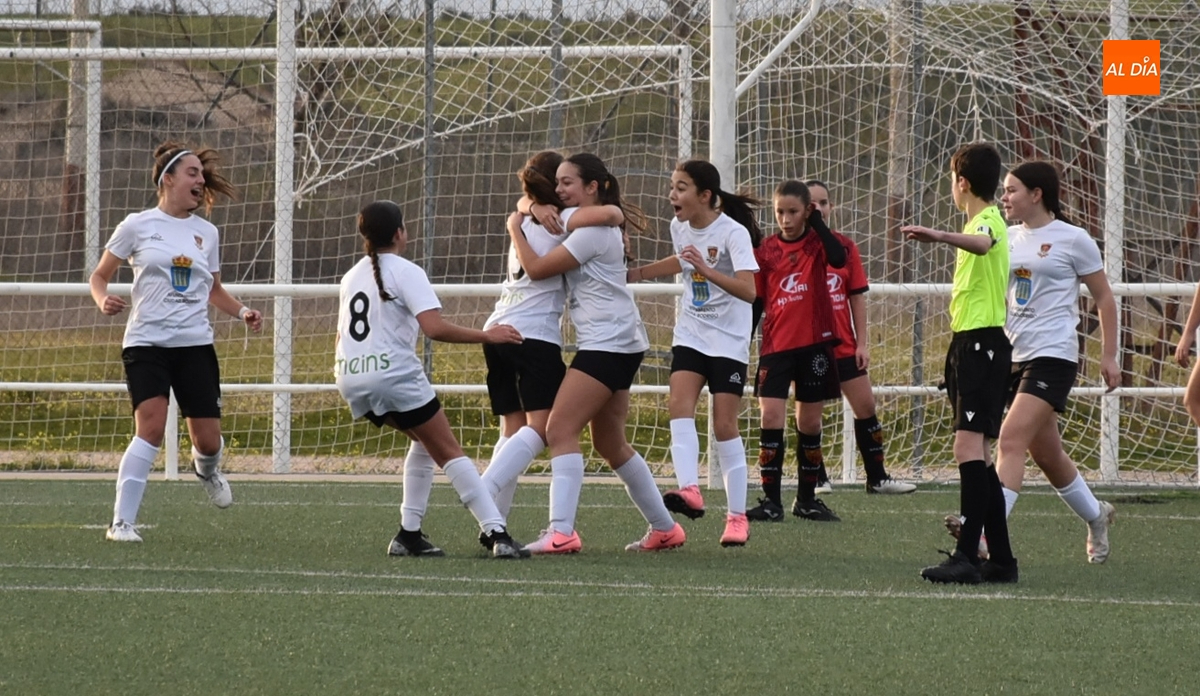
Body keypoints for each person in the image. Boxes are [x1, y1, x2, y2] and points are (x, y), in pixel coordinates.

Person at [504, 152, 686, 554]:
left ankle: (561, 532)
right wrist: (530, 205)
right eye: (557, 182)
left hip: (608, 343)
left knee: (558, 429)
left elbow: (537, 269)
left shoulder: (589, 228)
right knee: (609, 442)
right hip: (621, 341)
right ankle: (664, 528)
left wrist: (517, 225)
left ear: (592, 187)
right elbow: (587, 212)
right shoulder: (585, 221)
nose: (559, 189)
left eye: (568, 182)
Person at [90, 141, 264, 543]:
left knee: (208, 441)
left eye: (201, 174)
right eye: (192, 172)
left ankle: (206, 469)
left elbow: (213, 289)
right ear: (167, 179)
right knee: (150, 428)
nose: (201, 180)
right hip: (146, 343)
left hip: (194, 346)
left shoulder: (207, 233)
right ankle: (121, 523)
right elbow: (99, 276)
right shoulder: (136, 225)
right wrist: (102, 299)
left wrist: (242, 311)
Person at [335, 200, 528, 559]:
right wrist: (488, 335)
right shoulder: (406, 271)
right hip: (393, 374)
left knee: (425, 442)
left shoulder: (351, 276)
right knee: (449, 451)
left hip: (351, 376)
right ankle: (497, 533)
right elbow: (434, 328)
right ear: (399, 233)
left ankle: (409, 534)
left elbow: (341, 337)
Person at [478, 151, 625, 531]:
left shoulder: (527, 217)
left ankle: (493, 525)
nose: (562, 188)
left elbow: (521, 206)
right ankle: (482, 490)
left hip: (498, 328)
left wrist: (524, 210)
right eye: (558, 182)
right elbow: (611, 215)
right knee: (543, 429)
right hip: (532, 336)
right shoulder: (560, 220)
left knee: (512, 431)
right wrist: (537, 208)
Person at [988, 161, 1119, 563]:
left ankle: (985, 535)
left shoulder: (1073, 239)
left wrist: (1109, 355)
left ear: (1036, 194)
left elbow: (1104, 298)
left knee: (1011, 439)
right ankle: (1097, 515)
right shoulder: (1006, 238)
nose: (1004, 198)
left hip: (1054, 356)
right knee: (1047, 456)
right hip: (1013, 356)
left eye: (1011, 190)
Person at [627, 159, 761, 547]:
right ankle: (690, 489)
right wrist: (639, 274)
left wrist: (708, 268)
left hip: (729, 341)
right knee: (678, 404)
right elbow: (683, 261)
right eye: (672, 186)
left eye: (681, 187)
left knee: (724, 425)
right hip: (691, 334)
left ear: (705, 195)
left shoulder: (733, 233)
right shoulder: (678, 226)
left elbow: (749, 291)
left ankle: (737, 518)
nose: (672, 194)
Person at [902, 141, 1018, 584]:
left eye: (952, 180)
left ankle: (966, 555)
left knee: (966, 448)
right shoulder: (983, 219)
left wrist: (938, 235)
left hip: (981, 345)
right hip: (971, 344)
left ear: (962, 182)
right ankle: (1001, 559)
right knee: (981, 456)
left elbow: (983, 244)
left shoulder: (987, 220)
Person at [745, 180, 847, 523]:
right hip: (776, 347)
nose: (786, 220)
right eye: (780, 212)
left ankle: (806, 499)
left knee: (809, 422)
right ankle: (771, 502)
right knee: (770, 417)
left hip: (815, 346)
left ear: (807, 211)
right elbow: (757, 301)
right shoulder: (767, 252)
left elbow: (839, 258)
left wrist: (817, 222)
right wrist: (743, 342)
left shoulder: (818, 245)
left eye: (793, 212)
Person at [806, 180, 916, 495]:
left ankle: (877, 478)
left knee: (866, 406)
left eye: (824, 202)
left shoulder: (844, 247)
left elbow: (856, 297)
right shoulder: (793, 249)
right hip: (808, 348)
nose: (818, 209)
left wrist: (862, 343)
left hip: (843, 345)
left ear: (831, 207)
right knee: (810, 417)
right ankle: (816, 478)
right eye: (812, 204)